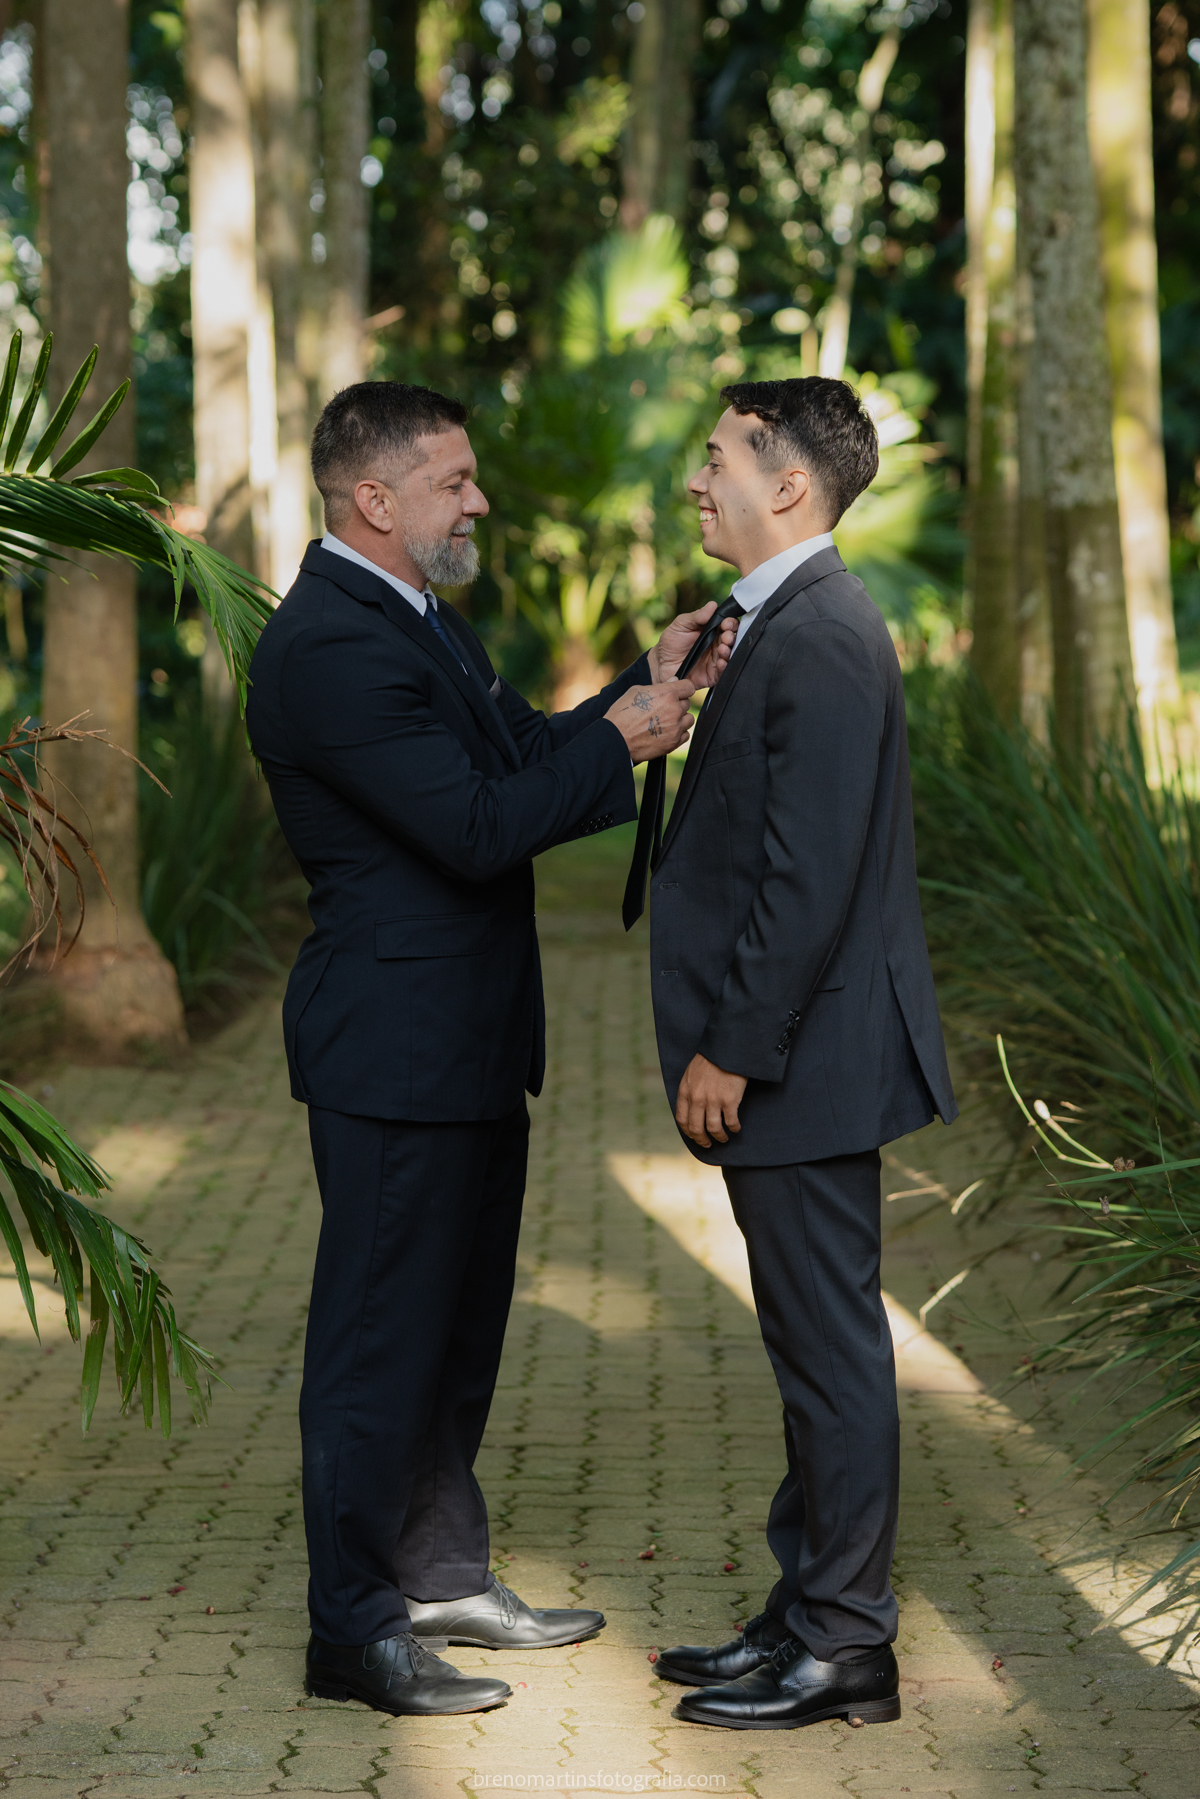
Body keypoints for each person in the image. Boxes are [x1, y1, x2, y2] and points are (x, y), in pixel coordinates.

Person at [246, 380, 735, 1718]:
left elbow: (521, 751)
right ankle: (352, 1629)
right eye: (455, 481)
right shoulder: (330, 646)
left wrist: (647, 685)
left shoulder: (417, 619)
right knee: (375, 1343)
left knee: (455, 1331)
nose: (478, 500)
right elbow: (473, 826)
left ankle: (439, 1571)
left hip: (463, 1042)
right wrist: (629, 747)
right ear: (375, 501)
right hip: (390, 1050)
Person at [643, 377, 957, 1732]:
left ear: (788, 484)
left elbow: (807, 875)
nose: (696, 481)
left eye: (717, 458)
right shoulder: (774, 624)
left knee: (832, 1351)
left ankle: (846, 1646)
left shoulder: (823, 632)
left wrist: (733, 1048)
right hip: (801, 1052)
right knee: (808, 1345)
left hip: (804, 1057)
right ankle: (803, 1611)